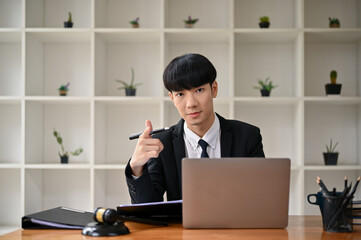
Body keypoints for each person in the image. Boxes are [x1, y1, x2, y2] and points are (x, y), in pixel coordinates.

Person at [125, 53, 265, 203]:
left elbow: (261, 196)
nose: (191, 103)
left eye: (199, 90)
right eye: (180, 94)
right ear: (172, 98)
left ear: (214, 89)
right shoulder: (162, 144)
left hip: (235, 225)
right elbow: (148, 208)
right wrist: (136, 168)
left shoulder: (248, 136)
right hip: (182, 226)